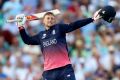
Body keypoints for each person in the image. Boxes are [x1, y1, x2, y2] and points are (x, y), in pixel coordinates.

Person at [15, 9, 101, 80]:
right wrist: (21, 27)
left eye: (52, 18)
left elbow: (74, 25)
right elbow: (27, 40)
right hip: (49, 73)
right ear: (43, 21)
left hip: (65, 69)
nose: (50, 20)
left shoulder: (59, 28)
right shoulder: (40, 35)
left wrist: (92, 19)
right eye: (48, 18)